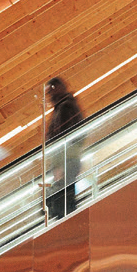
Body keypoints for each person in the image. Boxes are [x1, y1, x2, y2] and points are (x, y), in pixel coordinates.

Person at [42, 77, 84, 220]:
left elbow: (62, 136)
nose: (49, 96)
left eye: (50, 92)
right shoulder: (67, 106)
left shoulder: (65, 108)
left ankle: (68, 222)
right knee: (66, 198)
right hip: (69, 159)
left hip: (66, 159)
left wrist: (59, 164)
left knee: (64, 201)